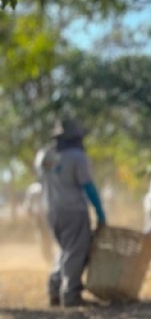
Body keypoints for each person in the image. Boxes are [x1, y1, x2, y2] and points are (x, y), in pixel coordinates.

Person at [35, 117, 106, 307]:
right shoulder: (77, 157)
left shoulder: (44, 156)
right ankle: (71, 293)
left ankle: (55, 288)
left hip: (51, 210)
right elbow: (88, 186)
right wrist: (100, 213)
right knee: (76, 250)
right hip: (73, 210)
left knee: (65, 248)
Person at [22, 182, 54, 264]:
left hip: (40, 216)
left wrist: (30, 215)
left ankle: (48, 256)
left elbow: (27, 205)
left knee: (43, 237)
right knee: (47, 237)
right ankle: (48, 256)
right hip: (46, 215)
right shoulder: (48, 184)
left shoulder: (33, 188)